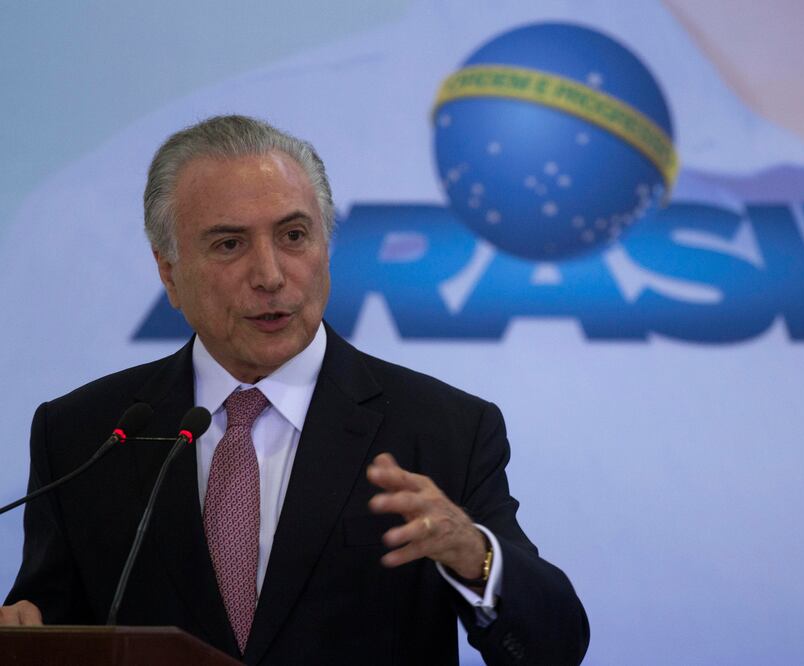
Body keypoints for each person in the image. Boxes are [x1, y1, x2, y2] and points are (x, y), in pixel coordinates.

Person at [1, 115, 589, 665]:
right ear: (169, 272)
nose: (271, 275)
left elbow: (556, 645)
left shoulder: (444, 430)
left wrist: (475, 556)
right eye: (229, 244)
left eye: (294, 235)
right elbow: (45, 628)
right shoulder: (85, 435)